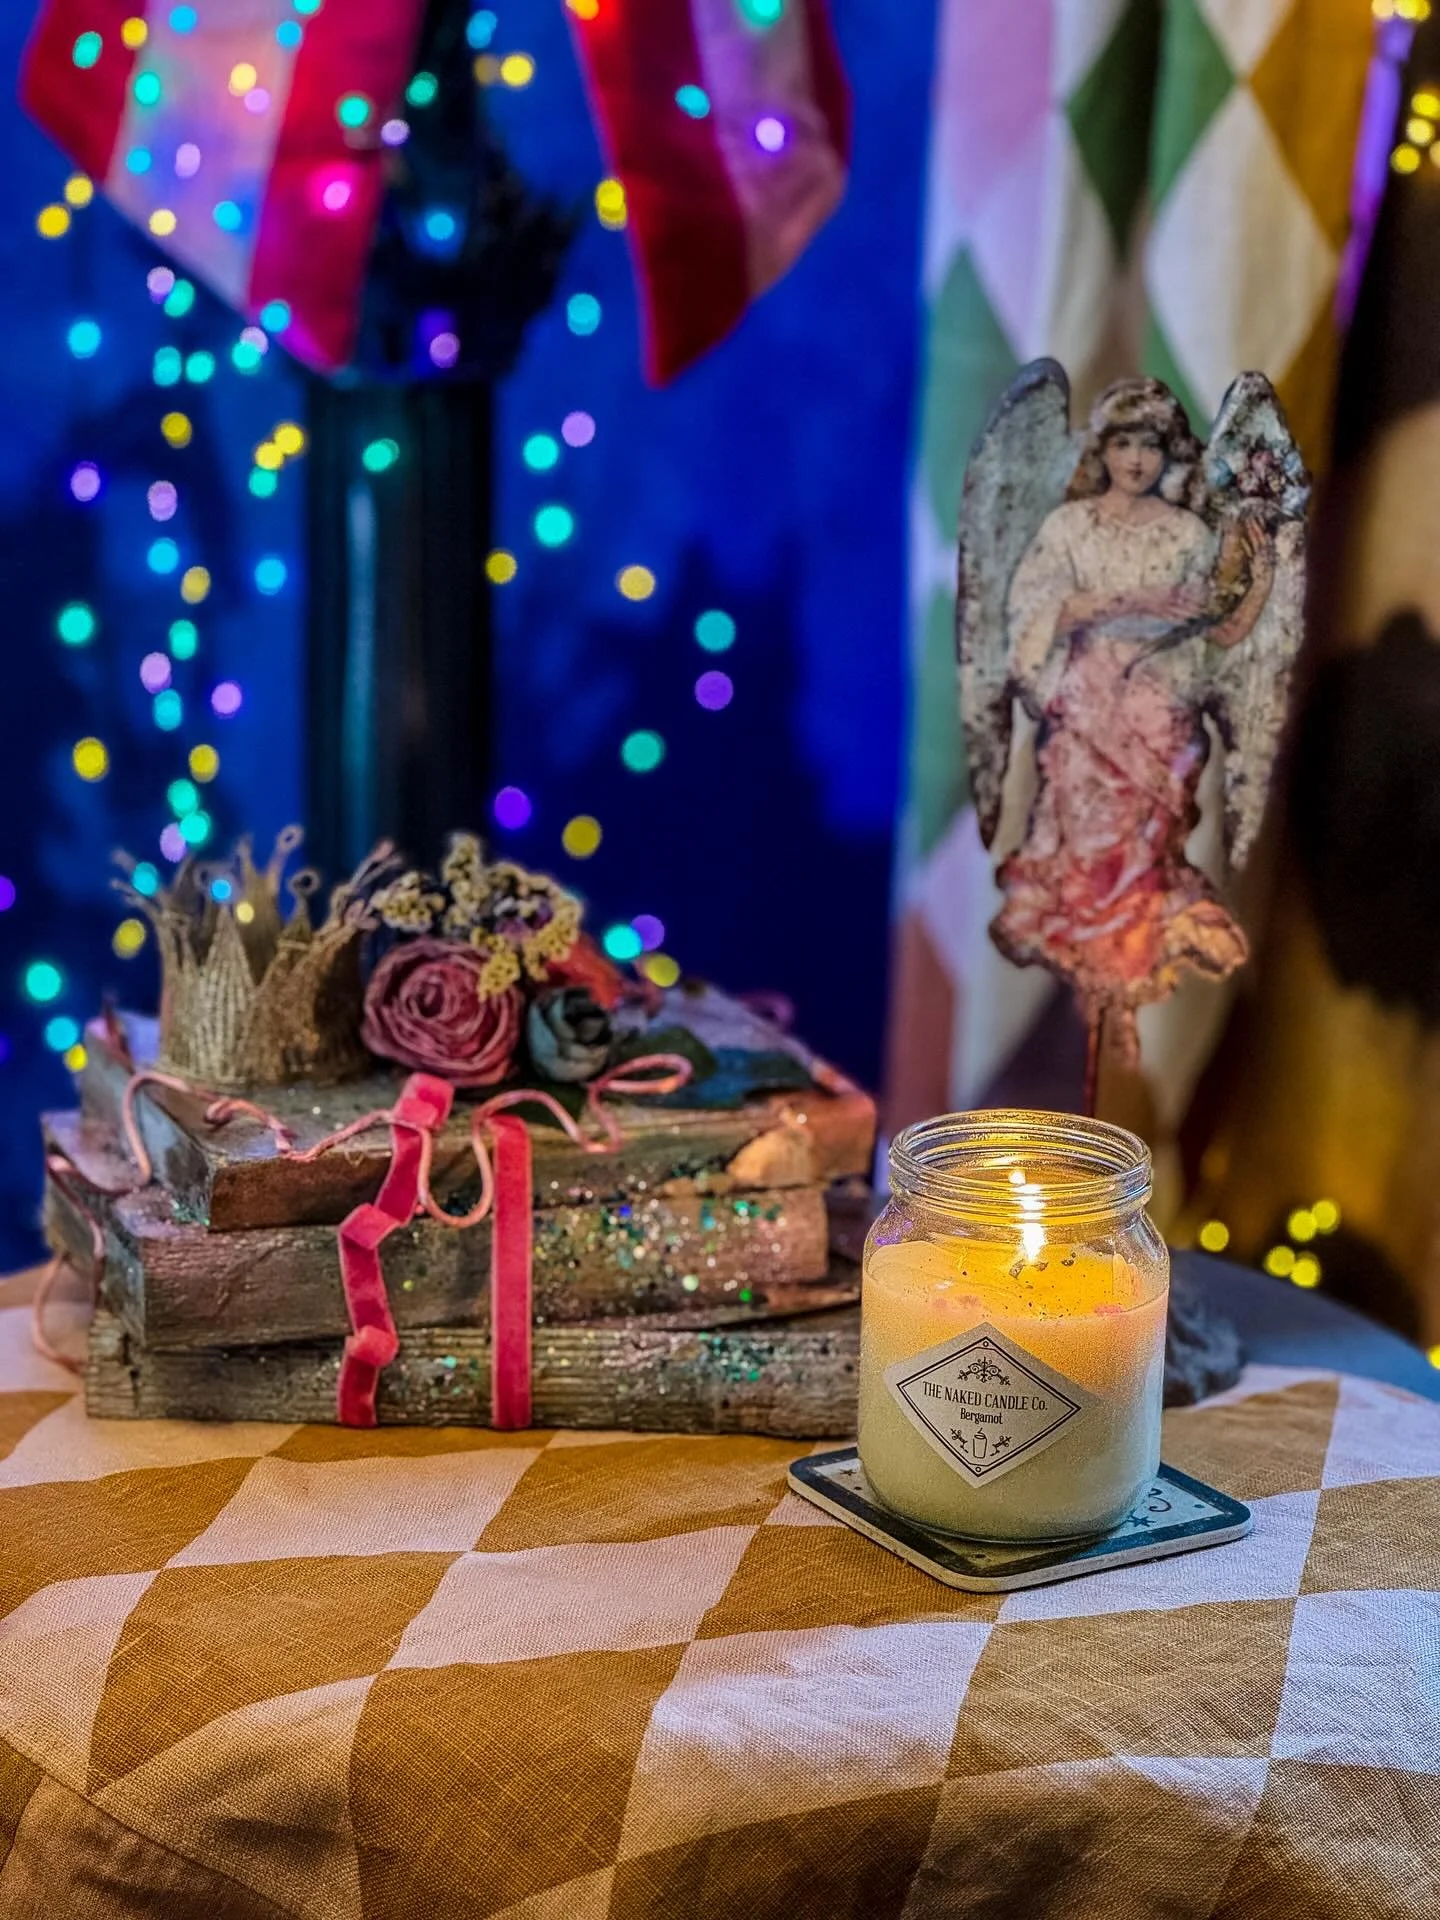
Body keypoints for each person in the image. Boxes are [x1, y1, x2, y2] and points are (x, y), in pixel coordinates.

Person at [994, 377, 1275, 1060]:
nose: (1137, 459)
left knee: (1146, 848)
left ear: (1167, 451)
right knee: (1087, 845)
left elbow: (1220, 634)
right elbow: (1030, 612)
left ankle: (1129, 979)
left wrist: (1260, 575)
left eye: (1150, 444)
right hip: (1090, 711)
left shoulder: (1186, 533)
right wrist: (1092, 608)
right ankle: (1094, 981)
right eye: (1123, 443)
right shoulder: (1069, 528)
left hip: (1159, 716)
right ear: (1104, 449)